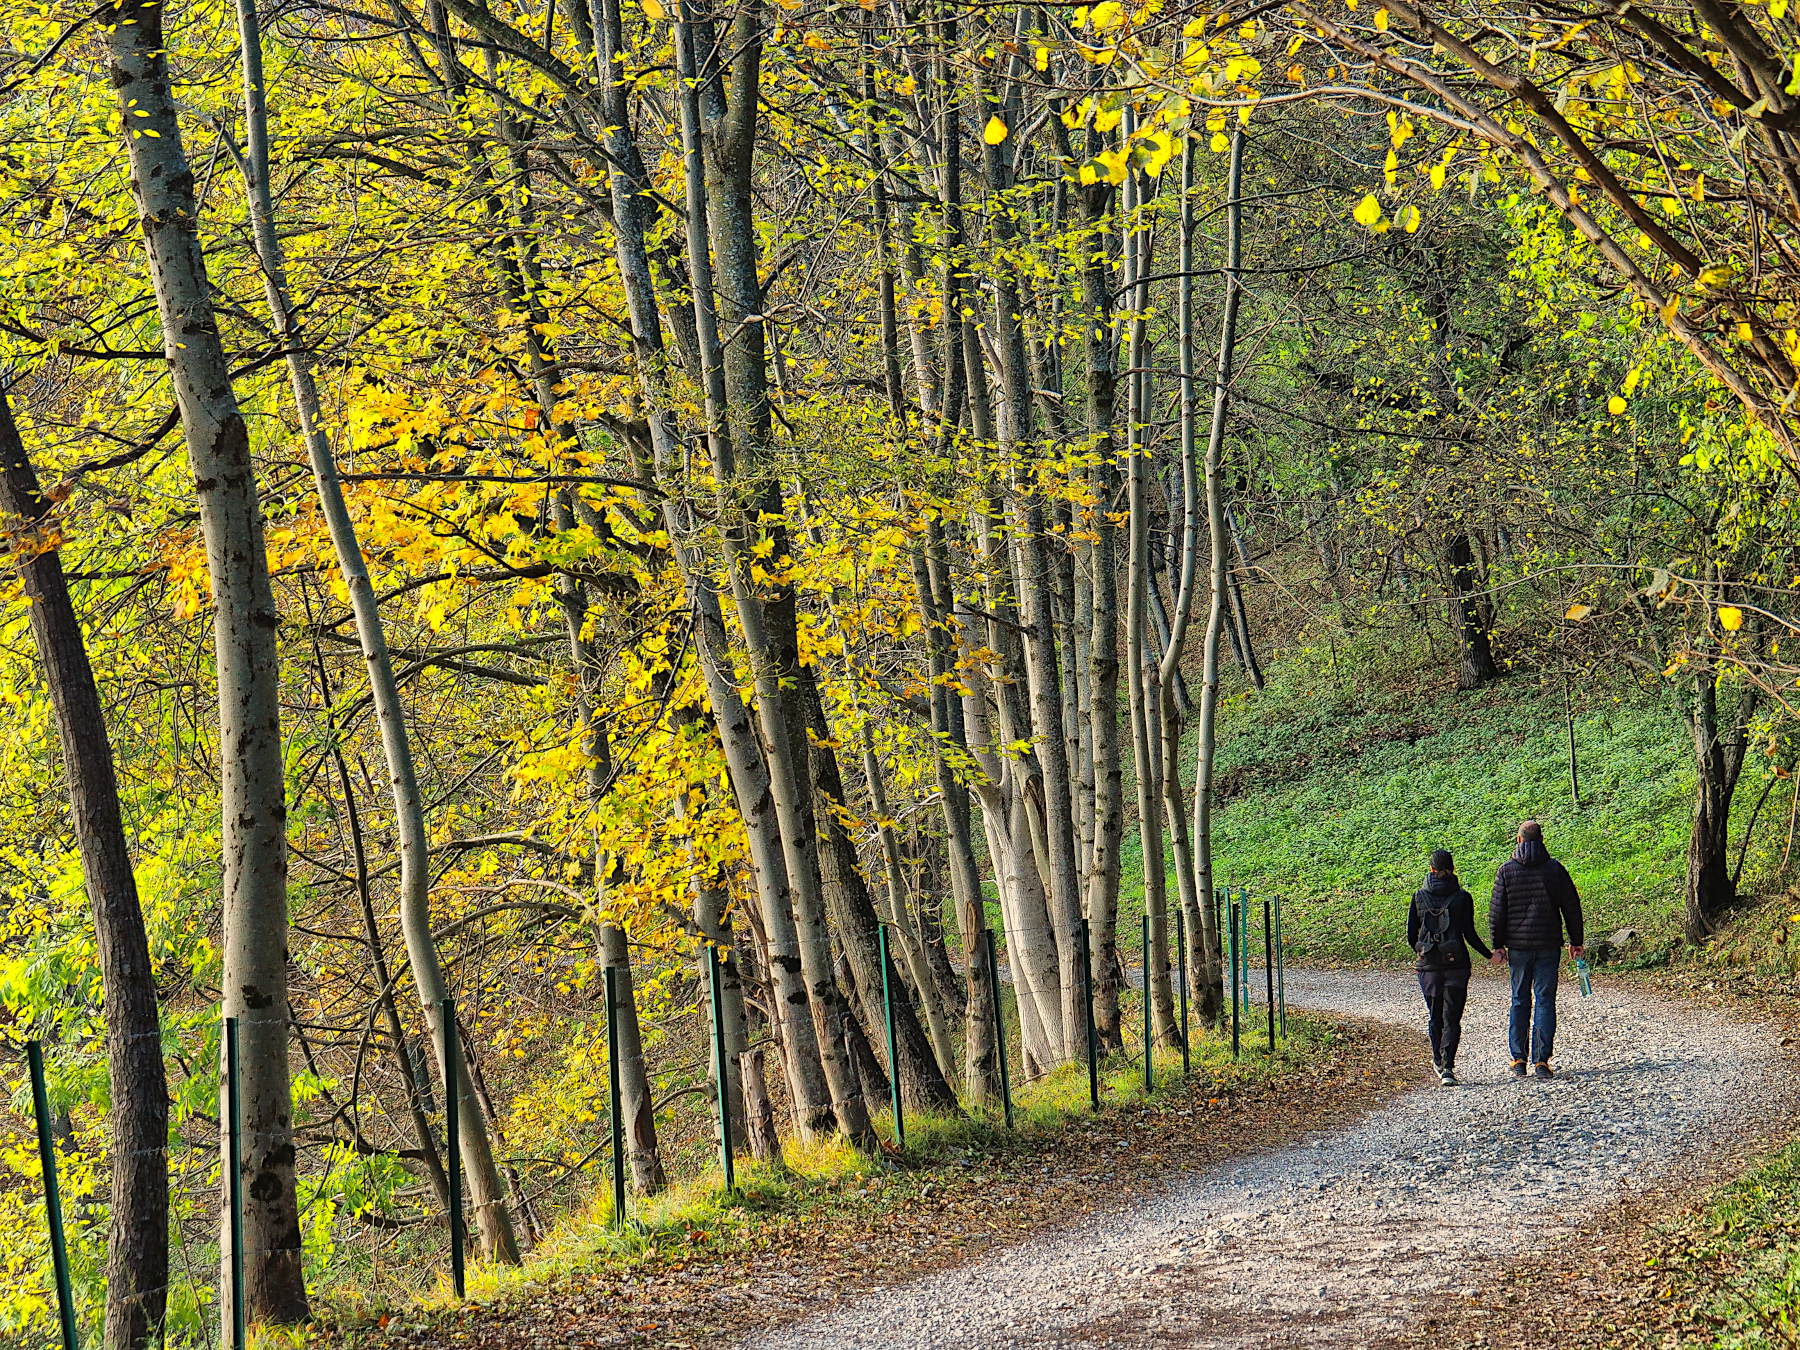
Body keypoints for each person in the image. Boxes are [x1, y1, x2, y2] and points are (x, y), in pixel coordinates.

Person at [1490, 820, 1585, 1080]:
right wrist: (1576, 940)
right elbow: (1571, 907)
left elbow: (1497, 911)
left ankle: (1518, 1058)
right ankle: (1541, 1061)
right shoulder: (1555, 870)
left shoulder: (1506, 871)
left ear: (1519, 840)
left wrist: (1497, 945)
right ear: (1541, 840)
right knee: (1545, 1001)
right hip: (1547, 945)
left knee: (1519, 999)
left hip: (1518, 947)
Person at [1407, 848, 1491, 1086]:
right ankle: (1448, 1067)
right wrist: (1489, 955)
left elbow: (1411, 934)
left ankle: (1437, 1060)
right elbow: (1470, 934)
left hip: (1428, 967)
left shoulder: (1418, 896)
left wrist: (1423, 951)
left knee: (1435, 1016)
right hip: (1457, 965)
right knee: (1452, 1017)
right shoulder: (1462, 897)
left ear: (1430, 869)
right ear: (1452, 869)